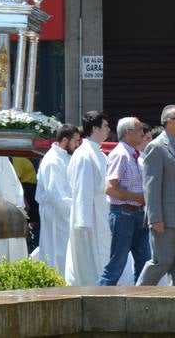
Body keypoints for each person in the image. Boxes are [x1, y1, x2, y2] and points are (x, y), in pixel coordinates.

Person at [137, 105, 175, 287]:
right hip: (166, 221)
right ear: (169, 121)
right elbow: (151, 186)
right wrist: (155, 218)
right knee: (160, 262)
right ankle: (135, 298)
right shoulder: (156, 147)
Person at [100, 117, 152, 285]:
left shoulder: (134, 155)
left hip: (136, 214)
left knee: (144, 261)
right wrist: (138, 197)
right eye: (139, 130)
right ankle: (100, 300)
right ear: (129, 133)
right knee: (117, 263)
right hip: (124, 214)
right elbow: (110, 188)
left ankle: (141, 299)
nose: (142, 134)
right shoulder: (121, 154)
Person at [65, 111, 113, 287]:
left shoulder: (97, 153)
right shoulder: (85, 155)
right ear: (95, 128)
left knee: (101, 253)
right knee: (90, 256)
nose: (109, 129)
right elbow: (82, 189)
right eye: (106, 126)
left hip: (100, 209)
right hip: (90, 214)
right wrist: (83, 221)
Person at [34, 124, 79, 273]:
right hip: (57, 214)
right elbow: (56, 196)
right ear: (65, 140)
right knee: (57, 253)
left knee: (66, 252)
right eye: (76, 141)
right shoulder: (53, 160)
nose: (78, 145)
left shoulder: (65, 157)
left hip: (65, 213)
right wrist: (76, 210)